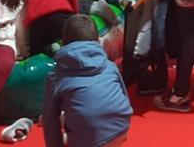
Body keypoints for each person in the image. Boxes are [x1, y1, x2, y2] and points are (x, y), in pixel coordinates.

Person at [42, 14, 133, 147]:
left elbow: (49, 121)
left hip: (90, 137)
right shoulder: (110, 66)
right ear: (97, 40)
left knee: (69, 114)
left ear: (64, 43)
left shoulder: (57, 76)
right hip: (121, 128)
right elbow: (124, 95)